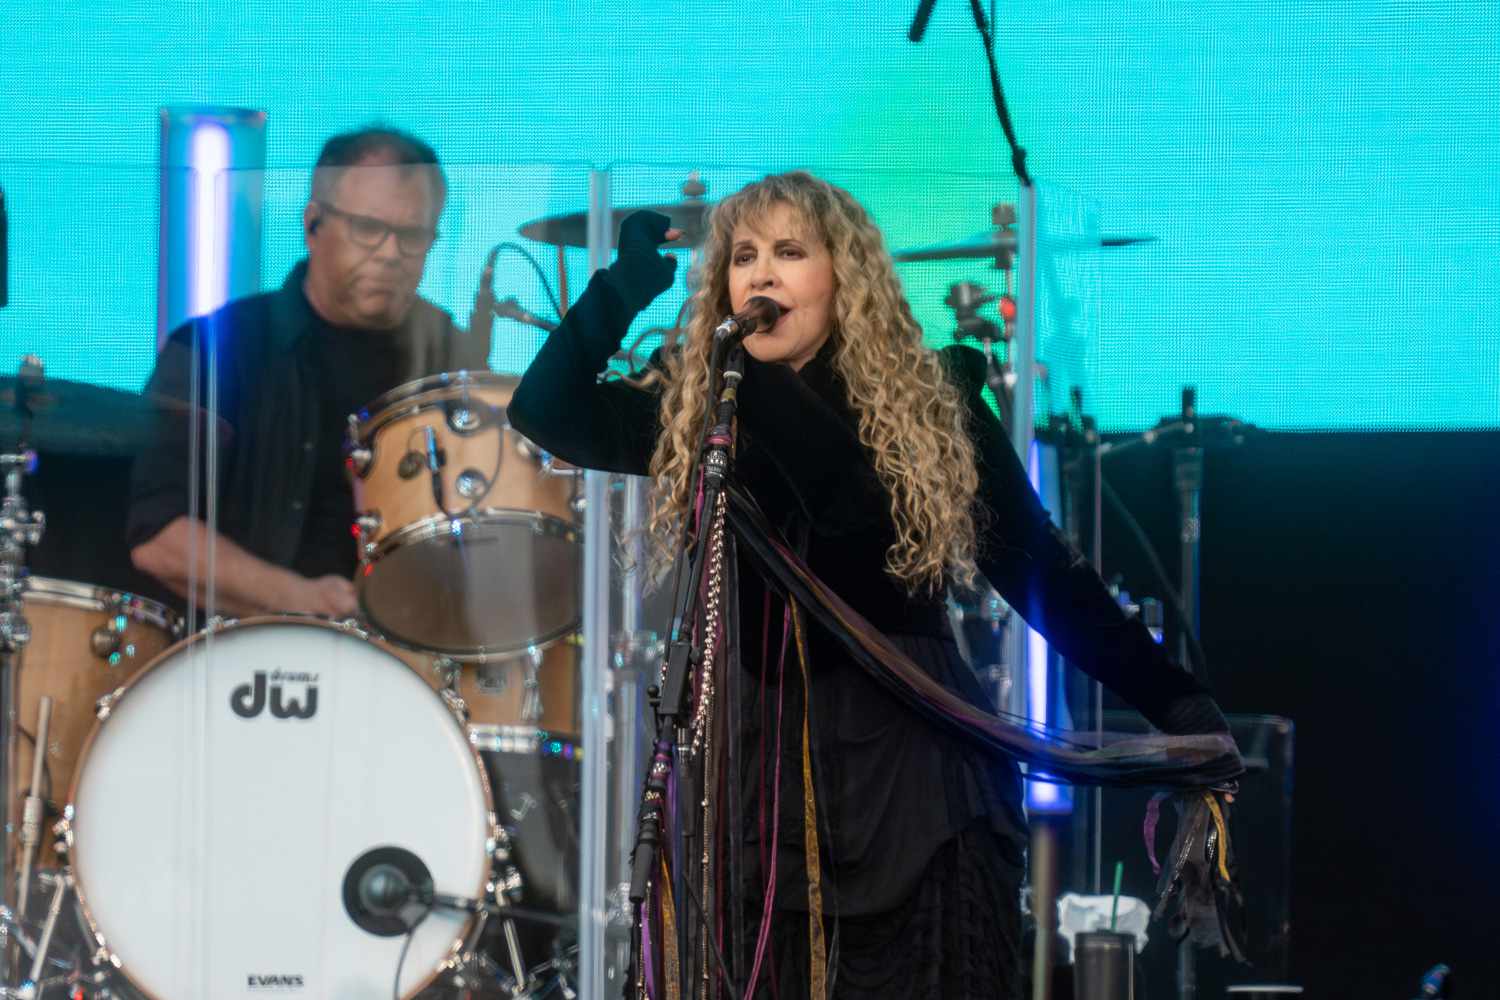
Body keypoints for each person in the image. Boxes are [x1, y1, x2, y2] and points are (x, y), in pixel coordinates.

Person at [508, 171, 1232, 999]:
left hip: (912, 771)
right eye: (742, 256)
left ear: (842, 278)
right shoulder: (717, 409)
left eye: (789, 252)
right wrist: (626, 285)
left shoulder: (938, 397)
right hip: (763, 770)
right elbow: (544, 411)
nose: (761, 275)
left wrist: (1175, 702)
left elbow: (1034, 572)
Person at [128, 126, 490, 618]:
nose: (390, 253)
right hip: (243, 659)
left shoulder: (451, 357)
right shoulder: (219, 348)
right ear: (313, 224)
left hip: (413, 661)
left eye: (412, 235)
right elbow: (159, 537)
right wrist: (306, 601)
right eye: (368, 228)